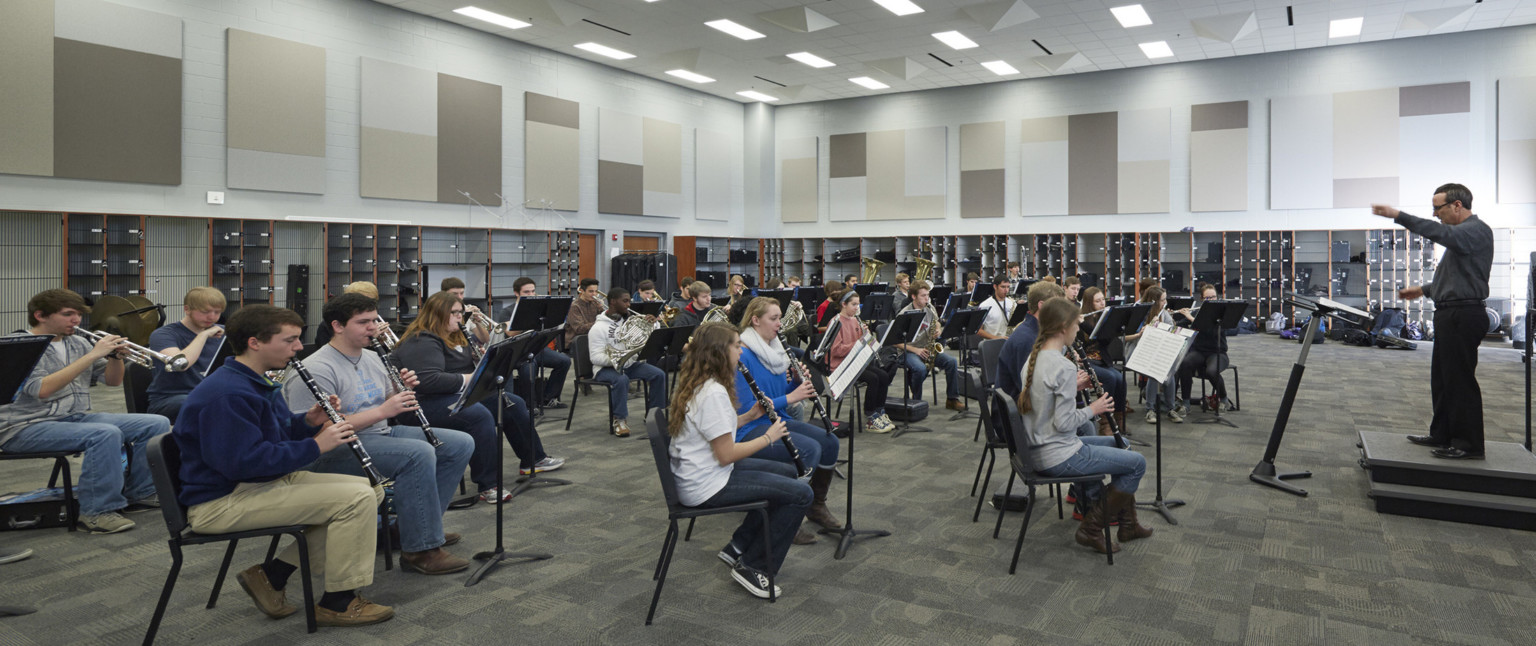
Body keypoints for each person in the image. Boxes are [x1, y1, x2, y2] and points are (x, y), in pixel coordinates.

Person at [174, 304, 393, 626]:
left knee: (369, 490)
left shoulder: (254, 380)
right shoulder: (228, 395)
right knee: (355, 500)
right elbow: (243, 463)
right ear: (255, 343)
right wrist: (316, 445)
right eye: (290, 340)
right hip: (221, 500)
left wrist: (307, 421)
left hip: (259, 483)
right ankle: (338, 601)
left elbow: (271, 435)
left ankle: (273, 575)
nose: (298, 348)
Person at [280, 293, 475, 574]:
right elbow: (318, 428)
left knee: (458, 444)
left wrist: (401, 391)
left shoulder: (372, 357)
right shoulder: (316, 368)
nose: (373, 328)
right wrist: (384, 410)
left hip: (378, 434)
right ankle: (420, 550)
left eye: (374, 320)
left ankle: (410, 528)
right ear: (337, 326)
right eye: (363, 322)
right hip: (332, 449)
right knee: (417, 455)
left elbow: (383, 401)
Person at [0, 289, 169, 534]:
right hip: (24, 427)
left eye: (79, 314)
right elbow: (42, 390)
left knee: (156, 423)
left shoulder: (78, 342)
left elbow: (112, 382)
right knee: (104, 433)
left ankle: (141, 493)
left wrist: (115, 358)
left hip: (71, 417)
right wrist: (93, 354)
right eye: (68, 314)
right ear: (40, 315)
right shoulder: (21, 346)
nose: (76, 320)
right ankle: (96, 512)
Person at [667, 322, 811, 599]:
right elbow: (726, 454)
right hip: (707, 484)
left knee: (787, 473)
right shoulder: (713, 393)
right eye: (736, 345)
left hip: (703, 473)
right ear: (720, 352)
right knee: (802, 494)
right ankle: (754, 567)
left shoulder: (703, 383)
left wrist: (749, 417)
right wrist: (768, 437)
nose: (741, 349)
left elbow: (716, 431)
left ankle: (738, 546)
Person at [393, 292, 564, 504]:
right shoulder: (421, 340)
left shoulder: (455, 334)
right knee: (478, 416)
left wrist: (480, 361)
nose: (459, 317)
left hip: (453, 394)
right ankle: (488, 484)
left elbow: (461, 368)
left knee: (512, 403)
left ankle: (533, 460)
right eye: (454, 313)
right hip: (422, 403)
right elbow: (428, 381)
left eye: (460, 312)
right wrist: (472, 377)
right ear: (437, 314)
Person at [1018, 297, 1152, 555]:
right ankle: (1091, 528)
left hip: (1041, 446)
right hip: (1058, 453)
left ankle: (1128, 524)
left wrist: (1074, 387)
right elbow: (1065, 423)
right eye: (1077, 325)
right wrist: (1095, 409)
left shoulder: (1035, 359)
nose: (1080, 330)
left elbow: (1046, 402)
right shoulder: (1062, 365)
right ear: (1063, 328)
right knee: (1138, 464)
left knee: (1122, 444)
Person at [1373, 184, 1493, 460]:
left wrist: (1398, 215)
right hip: (1450, 314)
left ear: (1457, 205)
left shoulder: (1475, 230)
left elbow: (1439, 232)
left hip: (1463, 315)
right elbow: (1456, 277)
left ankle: (1469, 444)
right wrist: (1424, 290)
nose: (1436, 214)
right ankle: (1442, 433)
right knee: (1442, 378)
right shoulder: (1462, 238)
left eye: (1438, 208)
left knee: (1459, 380)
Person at [734, 297, 843, 544]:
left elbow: (777, 391)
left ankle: (816, 506)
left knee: (830, 442)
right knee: (808, 450)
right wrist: (792, 396)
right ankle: (786, 513)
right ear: (755, 320)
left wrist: (794, 381)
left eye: (780, 318)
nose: (779, 324)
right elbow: (749, 408)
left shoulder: (773, 350)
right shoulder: (742, 354)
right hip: (750, 428)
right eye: (774, 319)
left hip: (775, 419)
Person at [588, 288, 669, 437]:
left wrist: (653, 324)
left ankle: (653, 414)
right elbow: (595, 358)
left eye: (629, 301)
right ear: (613, 302)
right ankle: (619, 420)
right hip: (605, 368)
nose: (629, 305)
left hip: (629, 365)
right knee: (621, 380)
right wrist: (618, 359)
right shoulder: (598, 328)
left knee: (658, 374)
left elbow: (650, 336)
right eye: (625, 301)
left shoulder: (628, 321)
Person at [145, 287, 228, 422]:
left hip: (213, 394)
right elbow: (181, 364)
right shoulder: (163, 334)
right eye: (205, 311)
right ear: (187, 309)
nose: (212, 317)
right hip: (171, 399)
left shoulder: (224, 332)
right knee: (207, 403)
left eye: (217, 312)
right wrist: (203, 335)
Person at [497, 277, 571, 411]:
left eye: (532, 292)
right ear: (516, 293)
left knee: (564, 361)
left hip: (536, 347)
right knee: (529, 367)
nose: (531, 295)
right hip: (518, 352)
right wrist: (527, 315)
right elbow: (510, 334)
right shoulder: (507, 312)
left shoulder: (539, 309)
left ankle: (548, 398)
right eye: (526, 292)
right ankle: (529, 405)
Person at [827, 292, 895, 432]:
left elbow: (861, 345)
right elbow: (836, 350)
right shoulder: (835, 322)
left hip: (855, 362)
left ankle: (879, 410)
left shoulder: (854, 320)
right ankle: (870, 416)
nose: (857, 308)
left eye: (858, 304)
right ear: (843, 304)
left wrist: (866, 336)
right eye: (854, 304)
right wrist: (857, 343)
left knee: (883, 375)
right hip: (841, 366)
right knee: (873, 378)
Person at [896, 281, 964, 411]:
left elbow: (936, 322)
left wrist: (938, 329)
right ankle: (916, 401)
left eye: (927, 295)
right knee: (920, 369)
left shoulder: (930, 308)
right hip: (908, 350)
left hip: (926, 348)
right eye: (923, 296)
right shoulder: (904, 314)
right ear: (914, 297)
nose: (927, 298)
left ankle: (952, 399)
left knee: (952, 362)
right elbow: (894, 342)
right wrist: (915, 350)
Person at [1076, 287, 1130, 431]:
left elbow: (1105, 340)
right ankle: (1106, 421)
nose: (1102, 304)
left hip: (1102, 360)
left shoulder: (1102, 317)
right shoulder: (1079, 319)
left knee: (1120, 379)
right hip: (1084, 361)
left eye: (1102, 300)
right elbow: (1081, 342)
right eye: (1097, 301)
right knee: (1110, 378)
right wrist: (1082, 323)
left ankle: (1119, 417)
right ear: (1089, 303)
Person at [1126, 286, 1182, 424]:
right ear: (1154, 301)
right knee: (1155, 370)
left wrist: (1165, 327)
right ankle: (1150, 409)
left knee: (1168, 368)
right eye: (1162, 300)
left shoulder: (1163, 313)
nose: (1165, 303)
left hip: (1156, 350)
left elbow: (1172, 330)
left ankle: (1170, 408)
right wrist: (1143, 332)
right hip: (1137, 351)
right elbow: (1124, 337)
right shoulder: (1140, 311)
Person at [1176, 283, 1231, 416]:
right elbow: (1179, 326)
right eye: (1207, 298)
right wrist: (1170, 318)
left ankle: (1223, 399)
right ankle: (1186, 403)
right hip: (1199, 352)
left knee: (1211, 371)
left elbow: (1211, 331)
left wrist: (1191, 318)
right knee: (1185, 364)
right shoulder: (1197, 312)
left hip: (1218, 353)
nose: (1211, 300)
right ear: (1202, 299)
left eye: (1213, 297)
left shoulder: (1221, 314)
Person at [315, 281, 379, 346]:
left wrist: (381, 342)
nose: (372, 327)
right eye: (362, 322)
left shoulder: (374, 319)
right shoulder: (328, 325)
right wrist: (373, 340)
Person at [564, 278, 604, 346]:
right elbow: (579, 329)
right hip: (576, 342)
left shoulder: (595, 303)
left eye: (596, 291)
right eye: (591, 291)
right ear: (582, 291)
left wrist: (601, 309)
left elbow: (604, 319)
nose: (594, 294)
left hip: (591, 339)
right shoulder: (574, 306)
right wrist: (600, 322)